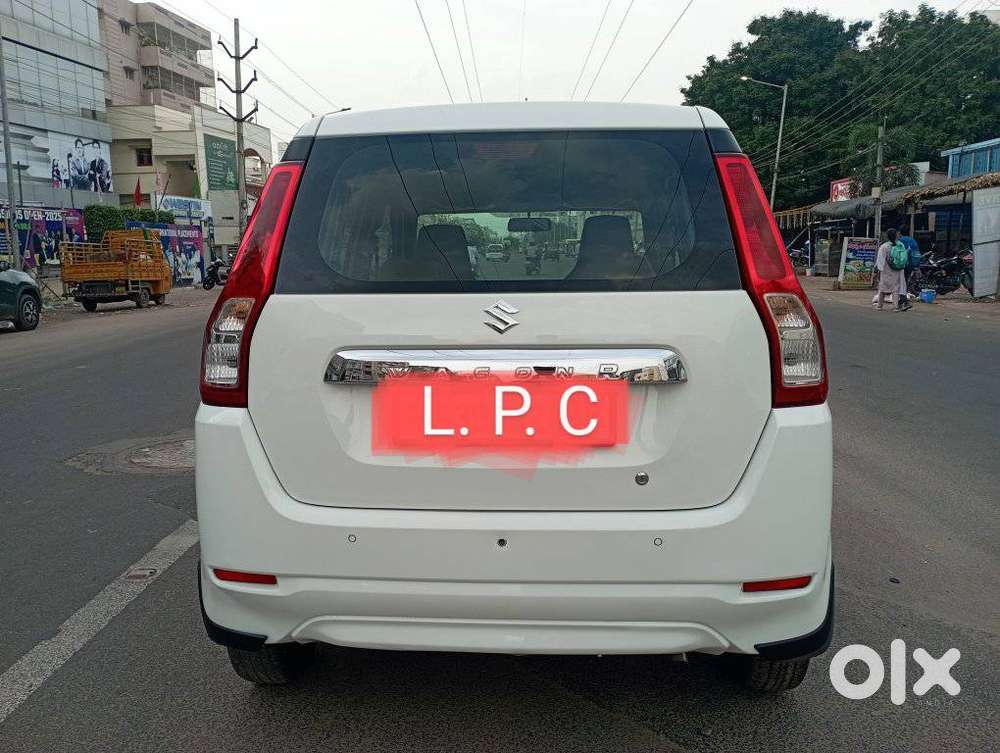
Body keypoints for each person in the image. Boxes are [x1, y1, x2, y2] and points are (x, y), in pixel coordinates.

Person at [875, 228, 911, 311]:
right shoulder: (900, 245)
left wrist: (879, 270)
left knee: (882, 288)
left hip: (886, 270)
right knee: (895, 288)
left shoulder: (884, 246)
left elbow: (880, 260)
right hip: (897, 270)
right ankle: (895, 306)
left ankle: (879, 306)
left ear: (887, 236)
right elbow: (904, 256)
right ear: (896, 236)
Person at [898, 228, 920, 299]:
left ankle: (902, 295)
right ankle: (905, 292)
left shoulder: (900, 241)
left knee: (901, 279)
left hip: (903, 263)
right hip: (912, 263)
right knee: (906, 278)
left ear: (900, 233)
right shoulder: (913, 241)